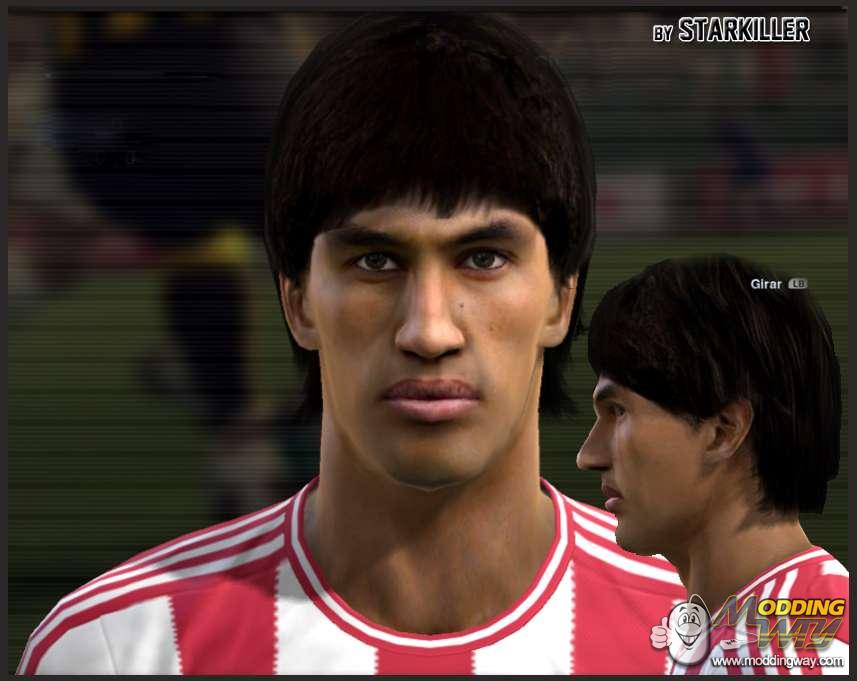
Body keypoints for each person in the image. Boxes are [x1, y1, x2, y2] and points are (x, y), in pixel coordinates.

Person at [19, 13, 686, 674]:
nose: (429, 330)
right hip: (170, 86)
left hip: (124, 102)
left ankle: (237, 434)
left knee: (197, 244)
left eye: (483, 258)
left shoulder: (712, 630)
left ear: (562, 298)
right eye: (375, 261)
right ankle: (240, 435)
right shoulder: (109, 649)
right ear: (297, 302)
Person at [577, 255, 848, 674]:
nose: (588, 456)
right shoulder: (778, 628)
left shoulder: (767, 656)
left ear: (723, 432)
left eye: (619, 411)